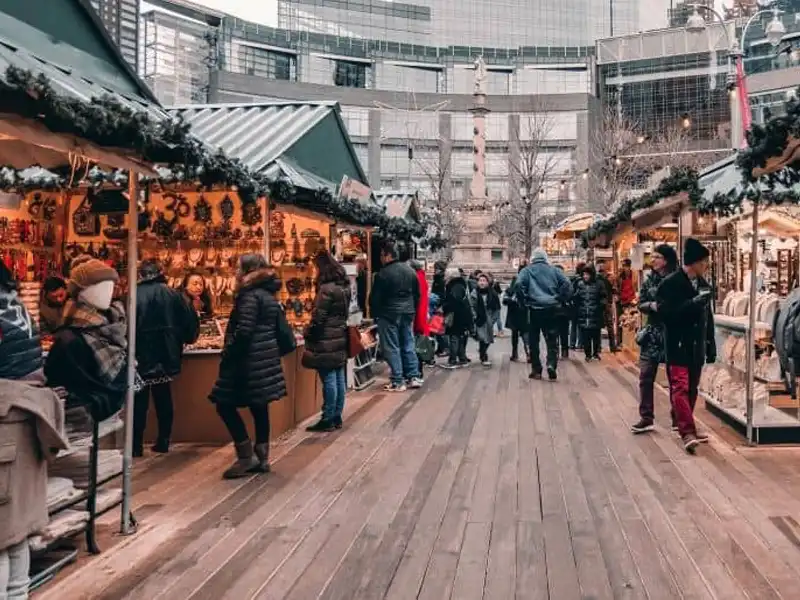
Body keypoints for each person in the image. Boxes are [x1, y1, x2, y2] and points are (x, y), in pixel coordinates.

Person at [210, 254, 294, 478]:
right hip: (264, 358)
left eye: (238, 267)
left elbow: (245, 331)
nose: (235, 271)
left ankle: (246, 456)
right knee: (259, 406)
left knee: (223, 404)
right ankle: (262, 456)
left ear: (247, 270)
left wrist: (229, 351)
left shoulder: (249, 296)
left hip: (247, 361)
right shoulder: (268, 295)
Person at [44, 256, 130, 424]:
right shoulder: (70, 339)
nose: (107, 291)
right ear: (80, 291)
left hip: (105, 417)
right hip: (81, 420)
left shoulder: (115, 326)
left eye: (110, 286)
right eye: (100, 286)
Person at [132, 259, 200, 457]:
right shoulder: (173, 295)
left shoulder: (132, 295)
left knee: (139, 400)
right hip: (166, 353)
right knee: (163, 397)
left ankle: (136, 444)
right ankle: (163, 440)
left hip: (139, 355)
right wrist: (185, 339)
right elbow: (189, 325)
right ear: (160, 272)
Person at [656, 238, 716, 454]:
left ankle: (683, 420)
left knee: (691, 388)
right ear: (695, 263)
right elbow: (666, 315)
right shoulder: (670, 284)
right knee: (680, 387)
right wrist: (692, 304)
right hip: (678, 344)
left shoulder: (703, 285)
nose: (706, 266)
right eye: (704, 262)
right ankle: (687, 430)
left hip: (696, 345)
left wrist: (710, 343)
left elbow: (707, 318)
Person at [631, 245, 679, 434]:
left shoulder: (678, 279)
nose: (653, 259)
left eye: (657, 256)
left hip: (673, 332)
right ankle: (646, 417)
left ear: (666, 260)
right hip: (652, 333)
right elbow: (641, 302)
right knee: (645, 376)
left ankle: (677, 417)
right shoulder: (649, 279)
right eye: (653, 256)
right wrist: (651, 305)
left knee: (675, 378)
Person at [303, 251, 349, 433]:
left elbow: (319, 317)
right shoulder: (343, 287)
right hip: (339, 335)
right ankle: (336, 415)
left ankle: (328, 417)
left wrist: (308, 331)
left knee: (329, 378)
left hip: (326, 339)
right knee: (338, 377)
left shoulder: (326, 290)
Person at [369, 243, 421, 392]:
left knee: (391, 346)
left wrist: (375, 314)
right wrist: (412, 309)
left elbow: (375, 298)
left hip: (388, 313)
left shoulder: (383, 273)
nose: (380, 259)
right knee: (408, 343)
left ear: (387, 255)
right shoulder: (411, 271)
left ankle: (397, 380)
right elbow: (417, 294)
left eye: (381, 255)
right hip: (408, 312)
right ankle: (413, 376)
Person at [516, 249, 572, 380]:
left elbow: (518, 284)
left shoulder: (527, 271)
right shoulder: (554, 270)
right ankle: (551, 364)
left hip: (534, 309)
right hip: (551, 308)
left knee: (533, 341)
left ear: (533, 259)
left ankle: (537, 369)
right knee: (552, 339)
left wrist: (523, 300)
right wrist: (560, 298)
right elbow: (567, 284)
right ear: (545, 258)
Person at [442, 267, 474, 368]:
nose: (444, 276)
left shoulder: (455, 286)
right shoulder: (459, 284)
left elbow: (454, 301)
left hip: (456, 315)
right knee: (459, 337)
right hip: (461, 315)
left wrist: (444, 307)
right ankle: (462, 358)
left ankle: (452, 360)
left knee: (454, 337)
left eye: (446, 274)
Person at [574, 265, 607, 361]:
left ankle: (596, 353)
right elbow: (577, 297)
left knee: (596, 335)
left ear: (591, 275)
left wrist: (601, 305)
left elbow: (604, 296)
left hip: (595, 314)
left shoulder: (599, 284)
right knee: (586, 336)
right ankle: (588, 354)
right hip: (584, 314)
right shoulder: (580, 284)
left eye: (587, 274)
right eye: (584, 274)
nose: (585, 276)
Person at [470, 273, 501, 367]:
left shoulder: (493, 293)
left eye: (484, 281)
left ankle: (482, 352)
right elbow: (471, 306)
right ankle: (484, 357)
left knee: (488, 340)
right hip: (479, 319)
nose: (482, 283)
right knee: (482, 338)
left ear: (488, 282)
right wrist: (474, 316)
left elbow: (497, 308)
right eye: (480, 281)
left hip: (489, 320)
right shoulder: (474, 293)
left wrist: (493, 320)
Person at [503, 267, 529, 362]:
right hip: (524, 312)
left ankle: (515, 354)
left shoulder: (514, 282)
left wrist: (511, 300)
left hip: (514, 313)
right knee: (525, 333)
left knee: (515, 334)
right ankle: (528, 353)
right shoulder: (528, 282)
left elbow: (505, 299)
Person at [410, 259, 431, 380]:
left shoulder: (415, 279)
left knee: (415, 346)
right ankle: (418, 370)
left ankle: (416, 372)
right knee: (418, 345)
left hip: (416, 317)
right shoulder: (421, 278)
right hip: (421, 316)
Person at [596, 260, 619, 353]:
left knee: (599, 327)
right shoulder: (605, 280)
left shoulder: (597, 280)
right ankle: (612, 346)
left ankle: (598, 347)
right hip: (606, 305)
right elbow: (613, 291)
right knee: (609, 326)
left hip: (600, 306)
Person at [554, 264, 571, 358]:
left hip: (557, 311)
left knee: (557, 332)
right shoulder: (567, 282)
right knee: (563, 332)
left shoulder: (552, 282)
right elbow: (570, 295)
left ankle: (557, 351)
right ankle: (564, 351)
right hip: (563, 311)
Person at [569, 262, 585, 350]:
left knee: (573, 325)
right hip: (580, 305)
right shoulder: (582, 280)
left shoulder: (573, 279)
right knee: (580, 325)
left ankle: (572, 343)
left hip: (573, 305)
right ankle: (580, 344)